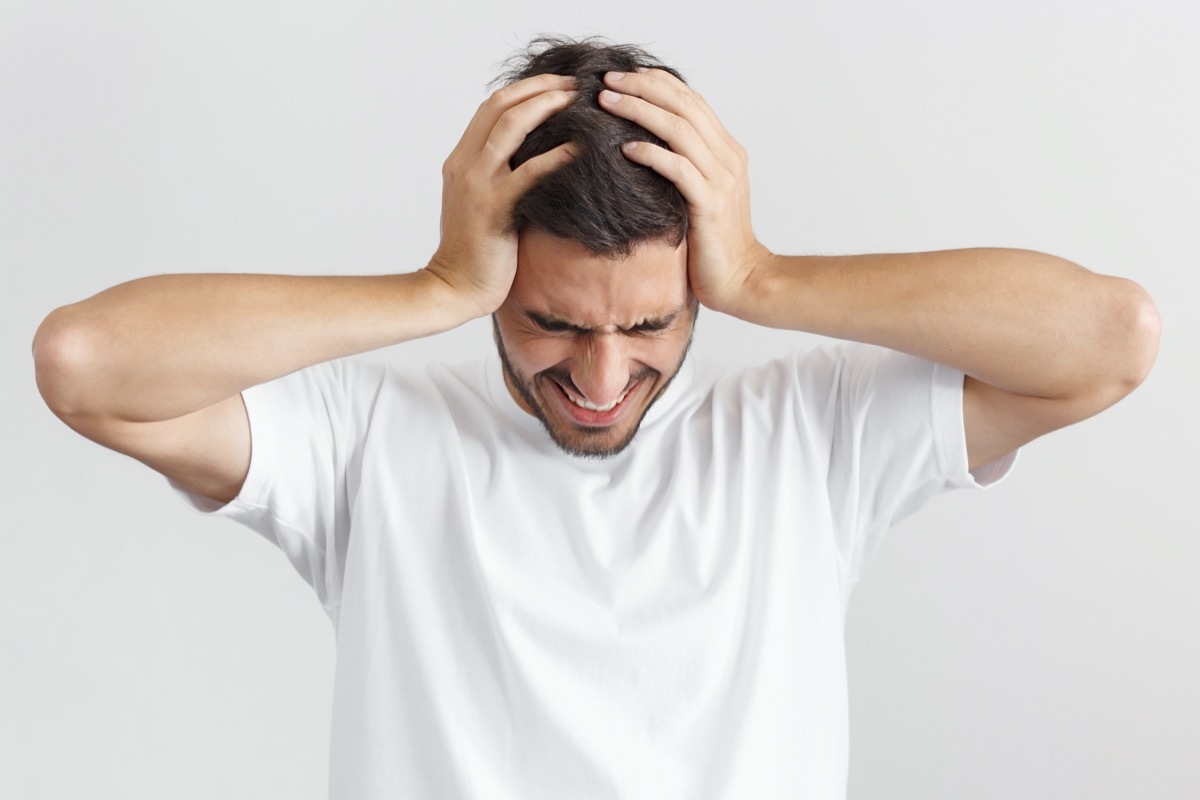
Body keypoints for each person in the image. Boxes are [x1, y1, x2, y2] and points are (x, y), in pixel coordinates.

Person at [33, 36, 1159, 800]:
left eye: (653, 324)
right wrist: (428, 288)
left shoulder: (810, 437)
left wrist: (765, 277)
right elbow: (86, 363)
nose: (603, 372)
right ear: (496, 276)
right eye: (554, 321)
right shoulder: (367, 443)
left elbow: (1111, 339)